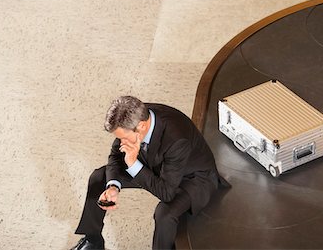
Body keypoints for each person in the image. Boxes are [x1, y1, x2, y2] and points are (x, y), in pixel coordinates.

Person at [71, 96, 223, 250]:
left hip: (192, 177)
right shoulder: (133, 116)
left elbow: (166, 193)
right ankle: (93, 241)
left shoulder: (177, 139)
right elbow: (115, 156)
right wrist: (113, 187)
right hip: (154, 162)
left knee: (165, 214)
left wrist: (133, 164)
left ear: (141, 126)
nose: (121, 143)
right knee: (99, 178)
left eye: (123, 138)